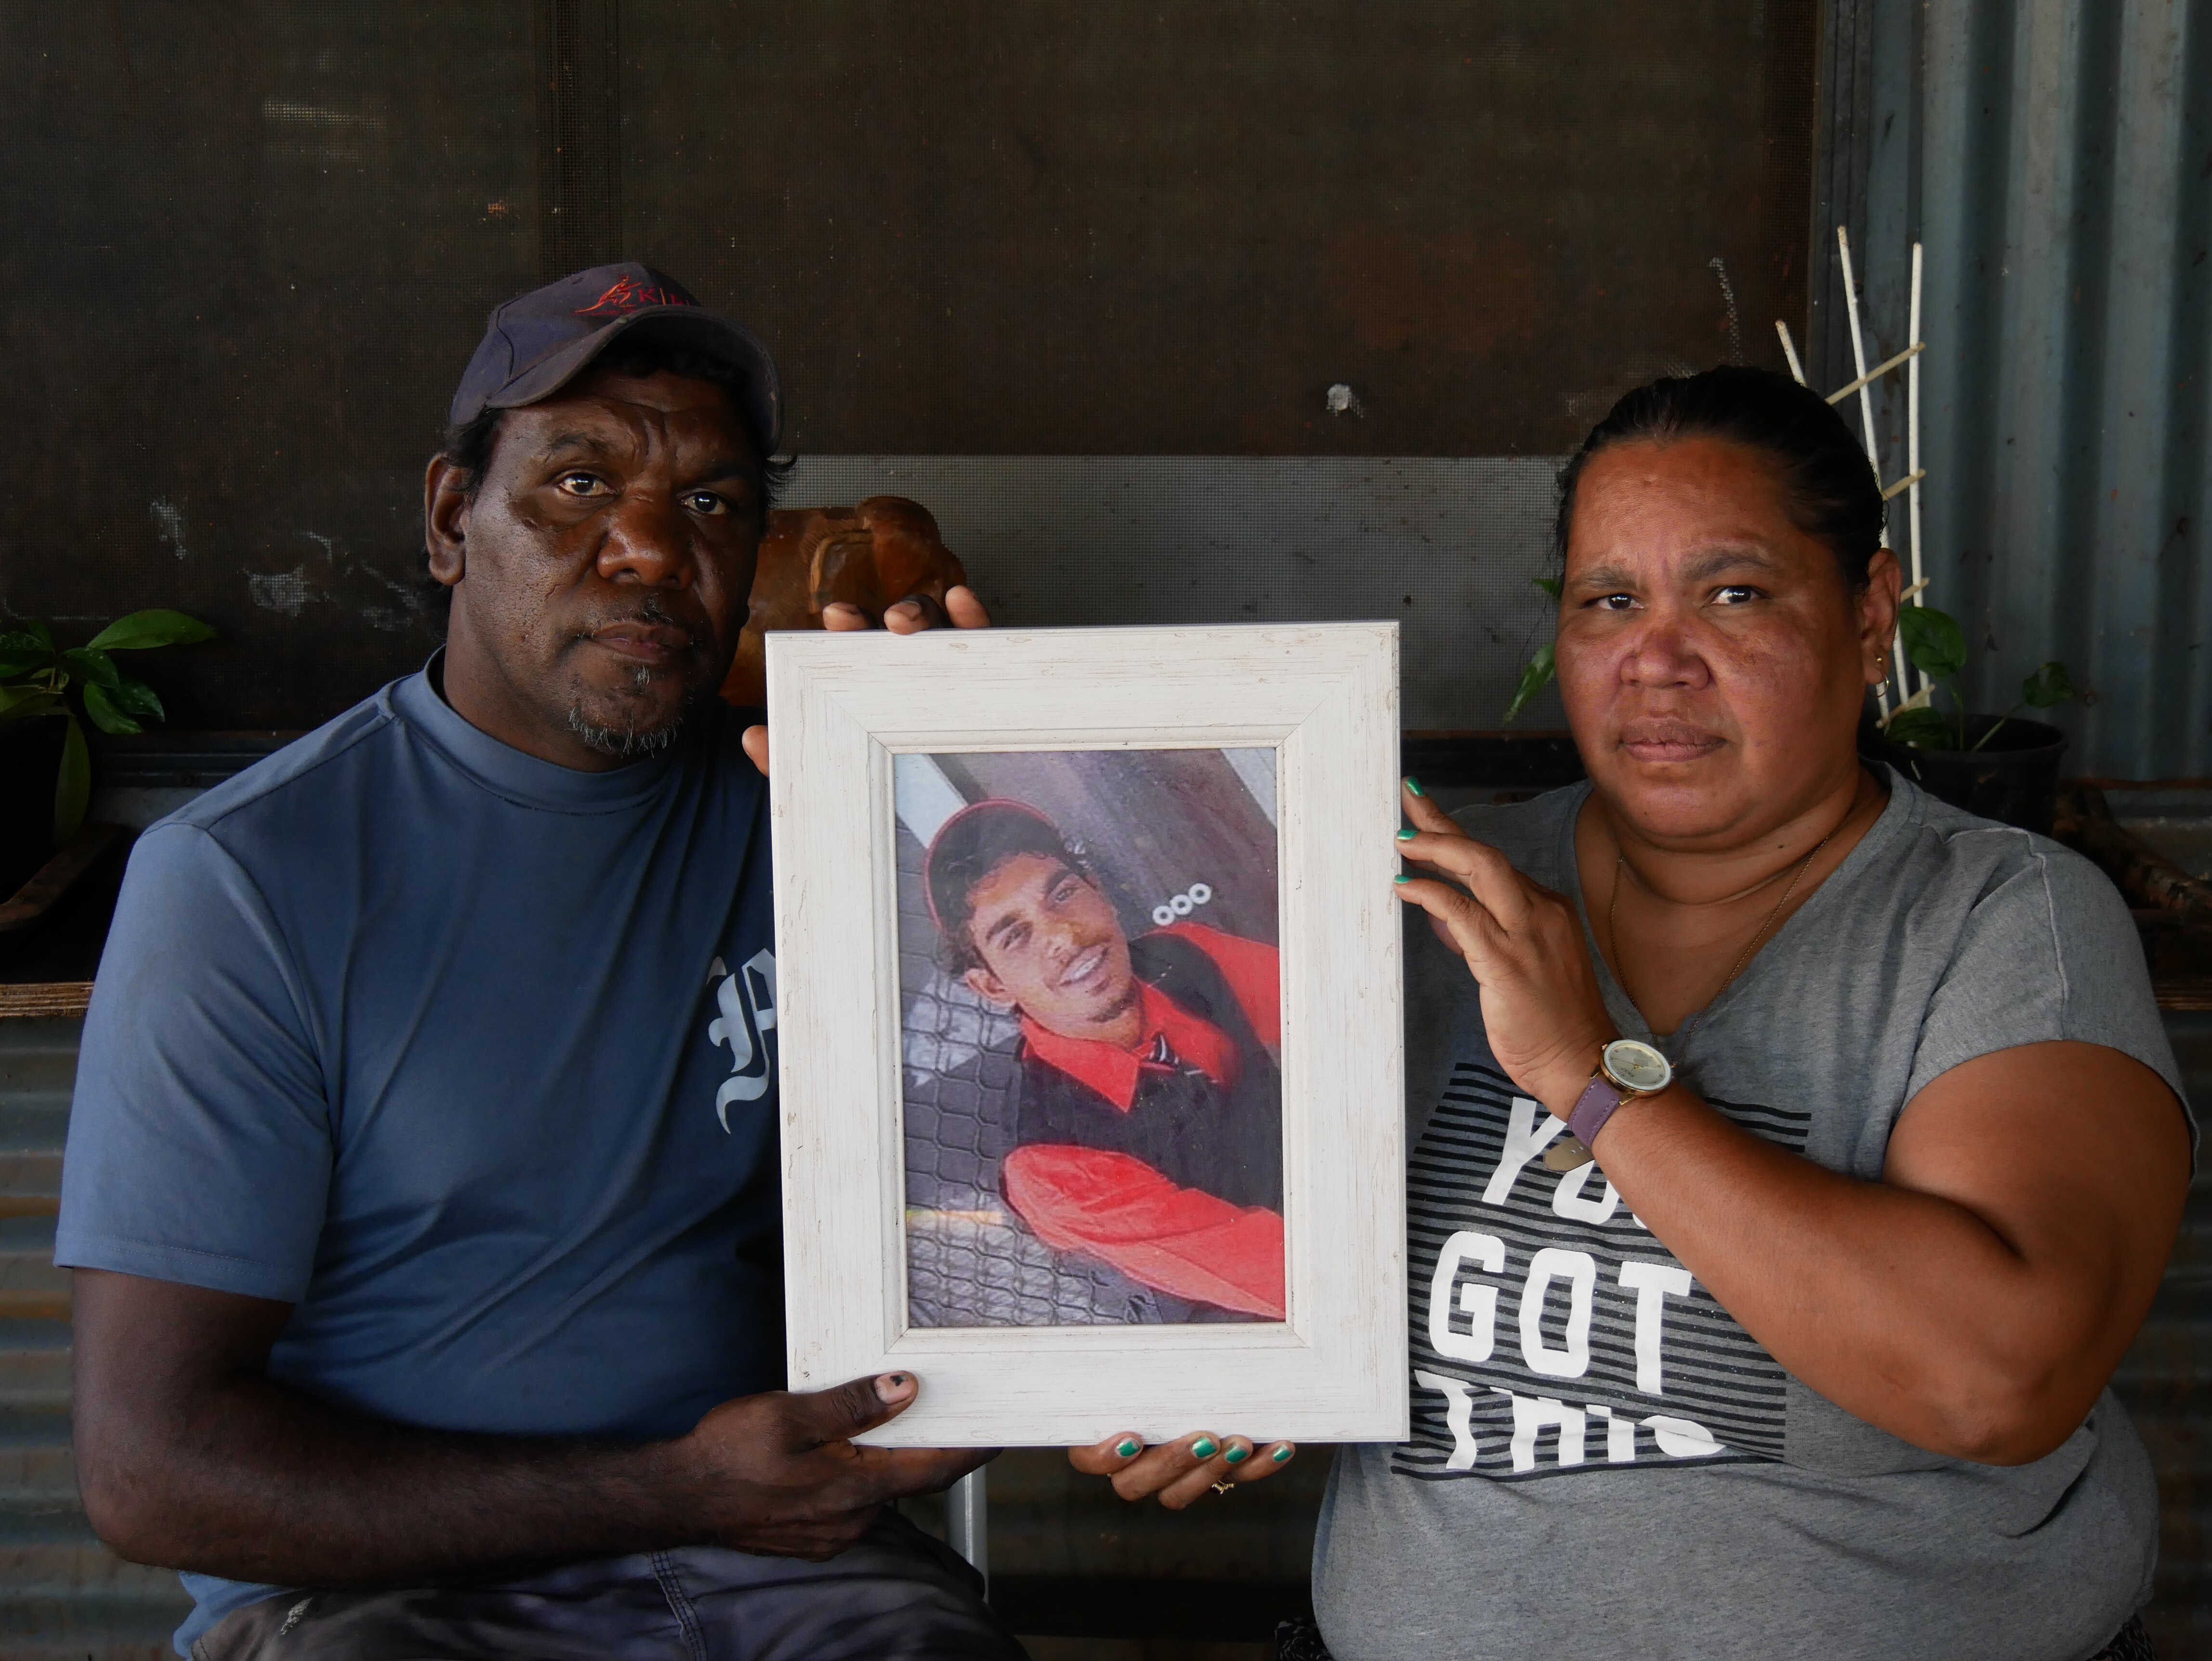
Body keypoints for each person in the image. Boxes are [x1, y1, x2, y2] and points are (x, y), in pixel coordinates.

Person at [1080, 367, 2195, 1659]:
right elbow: (1247, 1235)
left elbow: (2000, 1382)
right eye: (1612, 601)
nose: (1658, 663)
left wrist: (1591, 1078)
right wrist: (1223, 1377)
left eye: (1735, 594)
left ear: (1871, 615)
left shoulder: (1997, 922)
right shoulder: (1417, 906)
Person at [55, 263, 1021, 1661]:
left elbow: (1044, 1141)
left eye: (711, 502)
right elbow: (153, 1474)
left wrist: (999, 760)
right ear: (453, 521)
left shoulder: (831, 819)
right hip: (386, 1595)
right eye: (577, 484)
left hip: (797, 1572)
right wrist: (677, 1489)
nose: (647, 547)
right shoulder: (254, 878)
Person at [923, 799, 1286, 1318]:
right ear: (992, 984)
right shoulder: (1050, 1166)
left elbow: (1345, 1003)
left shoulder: (1184, 956)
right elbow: (1285, 1275)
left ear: (1098, 887)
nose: (1064, 936)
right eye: (1016, 934)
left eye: (1063, 894)